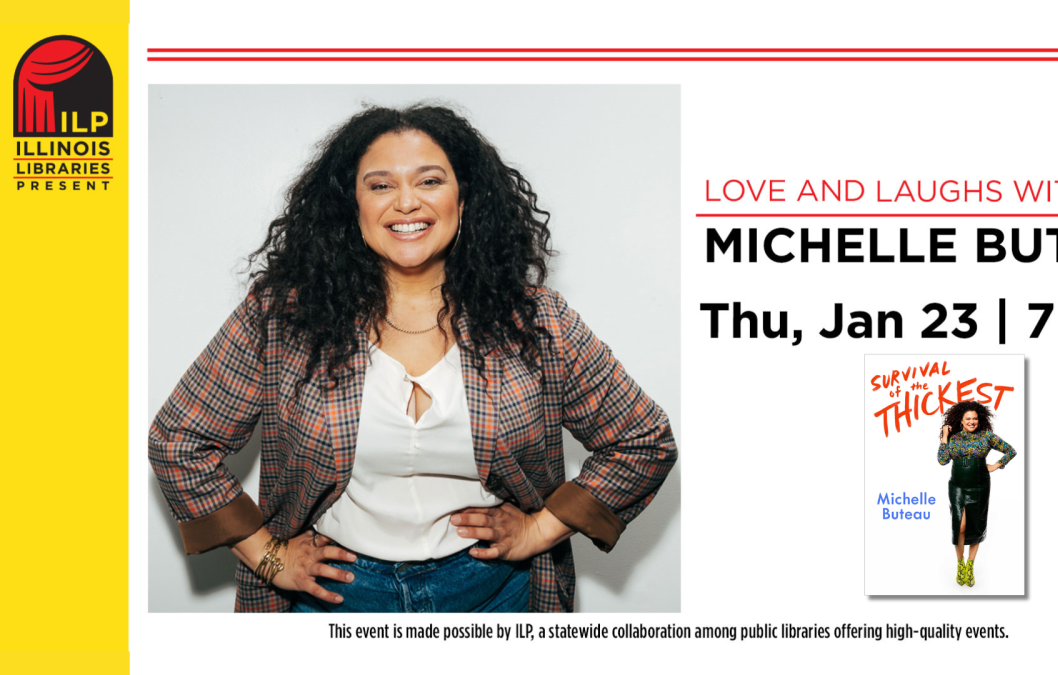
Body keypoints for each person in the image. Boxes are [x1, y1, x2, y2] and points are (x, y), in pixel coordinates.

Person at [149, 104, 678, 613]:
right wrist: (269, 558)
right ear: (351, 206)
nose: (406, 203)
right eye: (380, 185)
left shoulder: (537, 322)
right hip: (334, 600)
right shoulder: (282, 319)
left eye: (429, 181)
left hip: (496, 596)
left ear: (464, 199)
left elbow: (643, 440)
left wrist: (540, 529)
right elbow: (179, 441)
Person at [937, 400, 1016, 588]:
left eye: (975, 418)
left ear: (978, 420)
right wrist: (945, 436)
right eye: (968, 419)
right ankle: (960, 564)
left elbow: (1010, 451)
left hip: (979, 486)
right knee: (960, 527)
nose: (972, 421)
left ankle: (970, 566)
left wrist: (996, 465)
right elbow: (942, 460)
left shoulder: (987, 436)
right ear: (961, 421)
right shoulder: (954, 438)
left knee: (976, 525)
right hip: (957, 487)